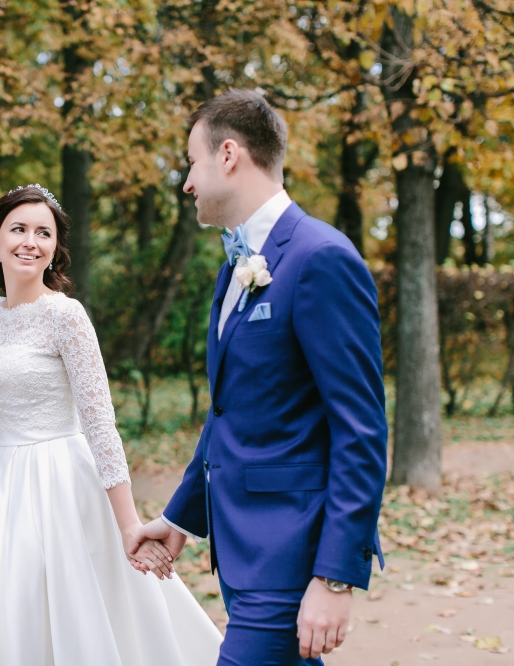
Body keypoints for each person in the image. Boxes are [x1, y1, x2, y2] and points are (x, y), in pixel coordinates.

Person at [0, 185, 222, 666]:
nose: (31, 241)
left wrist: (128, 524)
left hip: (67, 483)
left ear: (54, 249)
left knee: (83, 609)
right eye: (19, 229)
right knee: (4, 610)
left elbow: (100, 424)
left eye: (43, 233)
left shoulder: (66, 316)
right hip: (4, 488)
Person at [129, 89, 389, 666]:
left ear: (228, 155)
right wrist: (178, 519)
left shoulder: (321, 257)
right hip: (240, 550)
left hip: (290, 553)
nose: (186, 184)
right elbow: (231, 412)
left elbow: (362, 430)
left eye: (191, 163)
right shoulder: (234, 270)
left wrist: (335, 577)